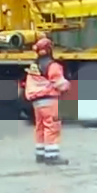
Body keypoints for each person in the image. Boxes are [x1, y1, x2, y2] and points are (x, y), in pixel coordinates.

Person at [24, 37, 70, 165]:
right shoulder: (52, 65)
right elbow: (59, 83)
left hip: (36, 101)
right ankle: (52, 156)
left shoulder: (34, 65)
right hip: (49, 100)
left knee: (40, 127)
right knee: (52, 126)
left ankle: (40, 154)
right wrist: (67, 85)